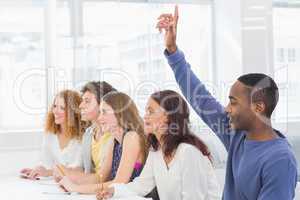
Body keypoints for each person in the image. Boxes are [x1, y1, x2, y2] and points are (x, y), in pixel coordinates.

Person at [155, 5, 297, 200]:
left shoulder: (280, 160)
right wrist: (172, 50)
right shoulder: (237, 135)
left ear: (258, 107)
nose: (227, 109)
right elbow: (200, 99)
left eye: (233, 102)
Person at [97, 90, 221, 200]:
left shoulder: (189, 152)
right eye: (146, 111)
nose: (145, 116)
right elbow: (141, 185)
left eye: (150, 111)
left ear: (168, 117)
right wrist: (113, 191)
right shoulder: (156, 152)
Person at [58, 91, 149, 194]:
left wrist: (75, 188)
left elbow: (119, 183)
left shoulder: (131, 137)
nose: (100, 117)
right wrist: (72, 181)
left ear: (120, 113)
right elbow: (100, 178)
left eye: (104, 112)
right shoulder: (114, 140)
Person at [53, 81, 117, 184]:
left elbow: (103, 177)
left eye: (87, 101)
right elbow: (82, 168)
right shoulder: (88, 133)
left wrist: (70, 176)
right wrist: (64, 171)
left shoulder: (114, 135)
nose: (81, 105)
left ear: (103, 104)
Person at [20, 90, 86, 179]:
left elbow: (79, 169)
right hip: (53, 185)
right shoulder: (50, 134)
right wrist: (38, 169)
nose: (56, 111)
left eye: (62, 108)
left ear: (73, 112)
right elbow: (45, 161)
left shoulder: (82, 136)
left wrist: (48, 172)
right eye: (55, 106)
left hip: (75, 186)